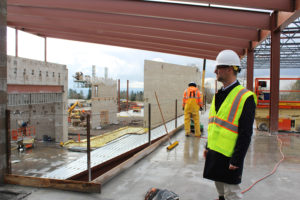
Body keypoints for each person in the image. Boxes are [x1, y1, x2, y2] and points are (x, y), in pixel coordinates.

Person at [203, 50, 257, 200]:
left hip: (230, 156)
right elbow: (215, 124)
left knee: (232, 194)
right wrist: (208, 147)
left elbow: (246, 133)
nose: (215, 71)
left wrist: (237, 159)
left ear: (229, 69)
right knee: (220, 192)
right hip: (216, 152)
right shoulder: (218, 94)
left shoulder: (245, 97)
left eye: (218, 67)